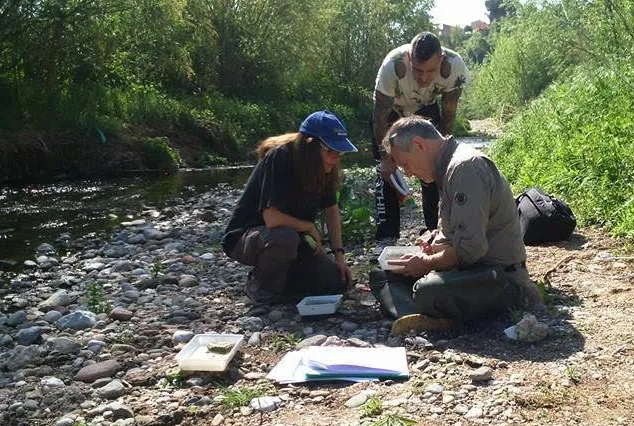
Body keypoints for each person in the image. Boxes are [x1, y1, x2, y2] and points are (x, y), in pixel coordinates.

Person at [370, 117, 542, 334]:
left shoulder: (465, 168)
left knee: (427, 290)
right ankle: (421, 317)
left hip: (499, 277)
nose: (408, 173)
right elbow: (455, 231)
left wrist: (425, 263)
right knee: (382, 272)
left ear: (419, 145)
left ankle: (422, 313)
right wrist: (434, 241)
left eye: (405, 164)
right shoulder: (446, 168)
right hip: (469, 270)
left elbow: (470, 250)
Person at [221, 111, 356, 315]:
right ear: (311, 145)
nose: (335, 159)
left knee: (336, 282)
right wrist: (309, 227)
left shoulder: (326, 166)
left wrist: (339, 256)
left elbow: (331, 209)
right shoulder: (280, 157)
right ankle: (262, 286)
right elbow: (272, 218)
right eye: (331, 152)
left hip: (295, 238)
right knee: (283, 238)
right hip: (251, 238)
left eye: (340, 153)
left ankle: (282, 278)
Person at [372, 31, 470, 240]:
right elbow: (379, 117)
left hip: (427, 107)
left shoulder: (454, 67)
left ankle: (435, 231)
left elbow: (448, 116)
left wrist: (443, 157)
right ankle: (387, 238)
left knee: (434, 168)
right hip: (392, 111)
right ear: (409, 59)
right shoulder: (392, 65)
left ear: (441, 60)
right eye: (417, 70)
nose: (424, 77)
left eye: (430, 71)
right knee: (386, 173)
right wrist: (386, 159)